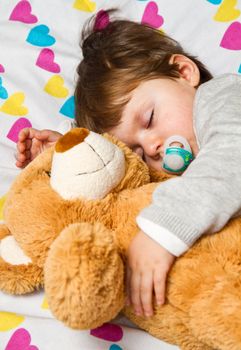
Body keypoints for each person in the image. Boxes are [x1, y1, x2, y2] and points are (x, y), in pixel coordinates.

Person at [15, 10, 241, 319]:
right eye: (137, 151)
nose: (151, 147)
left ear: (184, 73)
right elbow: (127, 179)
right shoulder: (171, 174)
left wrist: (161, 231)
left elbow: (232, 155)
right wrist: (77, 153)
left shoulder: (223, 97)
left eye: (149, 119)